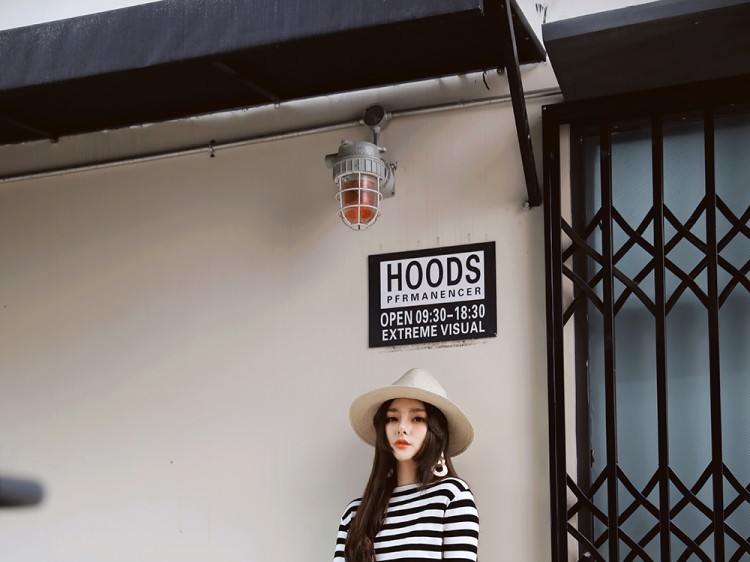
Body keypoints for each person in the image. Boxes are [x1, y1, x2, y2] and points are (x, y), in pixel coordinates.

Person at [334, 368, 479, 561]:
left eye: (417, 418)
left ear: (435, 430)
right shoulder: (355, 514)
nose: (402, 428)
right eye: (392, 419)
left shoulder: (451, 496)